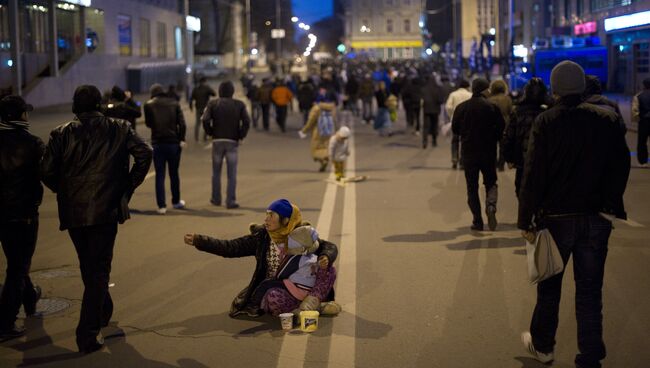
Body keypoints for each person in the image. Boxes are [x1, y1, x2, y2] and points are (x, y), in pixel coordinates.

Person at [518, 60, 630, 368]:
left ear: (555, 89)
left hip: (555, 218)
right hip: (595, 217)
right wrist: (610, 205)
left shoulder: (546, 121)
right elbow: (620, 167)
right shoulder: (605, 120)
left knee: (550, 287)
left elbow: (533, 174)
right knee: (590, 292)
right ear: (581, 87)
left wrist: (525, 219)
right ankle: (590, 356)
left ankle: (543, 346)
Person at [40, 85, 152, 354]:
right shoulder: (120, 128)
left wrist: (65, 190)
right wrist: (126, 188)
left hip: (74, 210)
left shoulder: (62, 132)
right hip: (106, 209)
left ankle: (103, 310)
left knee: (89, 265)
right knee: (98, 269)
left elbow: (45, 170)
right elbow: (145, 153)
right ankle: (87, 334)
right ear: (99, 104)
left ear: (75, 105)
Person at [184, 199, 340, 317]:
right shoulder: (262, 238)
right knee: (273, 299)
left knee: (329, 269)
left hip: (310, 287)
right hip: (283, 288)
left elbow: (328, 246)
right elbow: (230, 247)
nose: (266, 219)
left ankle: (312, 302)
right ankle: (313, 309)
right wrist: (200, 241)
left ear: (286, 220)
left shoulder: (301, 234)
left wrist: (326, 256)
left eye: (271, 216)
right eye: (266, 215)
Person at [0, 96, 44, 340]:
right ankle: (5, 323)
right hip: (22, 214)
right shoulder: (33, 144)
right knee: (17, 267)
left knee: (17, 263)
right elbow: (49, 173)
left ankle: (30, 297)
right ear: (20, 116)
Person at [451, 78, 505, 231]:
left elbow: (455, 129)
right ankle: (491, 206)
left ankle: (477, 221)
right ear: (484, 90)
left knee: (472, 187)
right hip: (488, 152)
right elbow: (501, 128)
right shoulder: (492, 107)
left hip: (468, 153)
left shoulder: (462, 108)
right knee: (491, 182)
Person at [247, 225, 336, 316]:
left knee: (268, 284)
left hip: (297, 289)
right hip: (311, 291)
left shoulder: (295, 258)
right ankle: (313, 307)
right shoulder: (314, 256)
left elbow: (281, 274)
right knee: (330, 269)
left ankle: (254, 304)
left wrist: (277, 277)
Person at [201, 81, 251, 209]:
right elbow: (246, 121)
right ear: (232, 91)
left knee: (216, 172)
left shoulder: (212, 104)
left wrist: (210, 132)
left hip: (217, 140)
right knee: (232, 173)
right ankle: (231, 201)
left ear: (220, 91)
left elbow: (205, 119)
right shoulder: (239, 104)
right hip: (232, 141)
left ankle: (216, 199)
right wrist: (241, 135)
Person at [144, 83, 187, 214]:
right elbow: (182, 124)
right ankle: (176, 202)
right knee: (174, 173)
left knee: (159, 174)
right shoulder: (174, 103)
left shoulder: (148, 105)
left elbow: (148, 123)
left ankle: (161, 206)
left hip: (157, 143)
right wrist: (181, 139)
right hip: (173, 143)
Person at [502, 78, 548, 196]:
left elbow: (509, 136)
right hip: (544, 161)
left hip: (522, 161)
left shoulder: (518, 112)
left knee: (522, 193)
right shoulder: (548, 113)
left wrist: (508, 158)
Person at [300, 97, 337, 172]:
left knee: (315, 150)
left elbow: (311, 121)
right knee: (325, 147)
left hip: (318, 132)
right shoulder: (331, 108)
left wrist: (304, 130)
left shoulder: (316, 108)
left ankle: (324, 158)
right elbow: (334, 120)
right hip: (329, 131)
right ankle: (325, 159)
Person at [446, 80, 472, 169]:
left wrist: (452, 115)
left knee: (455, 140)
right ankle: (462, 161)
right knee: (465, 141)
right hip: (467, 121)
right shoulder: (470, 95)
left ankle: (454, 158)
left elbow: (448, 107)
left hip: (455, 120)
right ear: (467, 86)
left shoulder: (453, 94)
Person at [487, 80, 513, 171]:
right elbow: (511, 112)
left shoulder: (489, 100)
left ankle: (493, 164)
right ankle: (501, 165)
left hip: (492, 125)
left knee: (492, 146)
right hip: (505, 125)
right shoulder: (507, 99)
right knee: (503, 147)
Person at [190, 77, 216, 141]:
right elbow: (214, 94)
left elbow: (191, 98)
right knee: (206, 122)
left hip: (198, 108)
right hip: (206, 108)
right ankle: (205, 137)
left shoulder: (195, 89)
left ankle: (196, 138)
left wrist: (190, 107)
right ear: (204, 82)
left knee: (197, 123)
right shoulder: (207, 88)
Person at [421, 76, 445, 148]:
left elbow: (422, 99)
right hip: (435, 110)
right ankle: (434, 141)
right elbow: (440, 100)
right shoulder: (438, 88)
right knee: (434, 125)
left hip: (426, 109)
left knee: (426, 126)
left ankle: (425, 142)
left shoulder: (424, 88)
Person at [636, 78, 650, 167]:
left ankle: (643, 161)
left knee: (642, 142)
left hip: (644, 122)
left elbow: (634, 111)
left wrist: (637, 119)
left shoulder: (639, 96)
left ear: (644, 85)